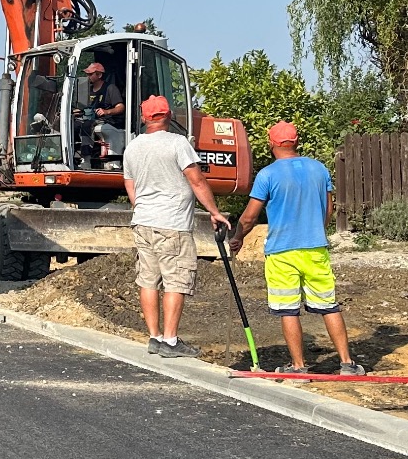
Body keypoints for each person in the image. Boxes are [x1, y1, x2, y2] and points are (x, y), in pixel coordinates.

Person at [229, 121, 360, 375]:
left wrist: (238, 237)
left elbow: (249, 217)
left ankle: (299, 367)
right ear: (296, 141)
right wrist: (316, 231)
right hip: (315, 249)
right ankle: (347, 364)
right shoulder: (319, 169)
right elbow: (328, 209)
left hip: (282, 252)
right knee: (328, 305)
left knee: (288, 309)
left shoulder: (268, 175)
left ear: (272, 144)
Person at [122, 93, 229, 358]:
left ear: (145, 117)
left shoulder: (133, 147)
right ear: (169, 116)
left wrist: (141, 207)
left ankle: (154, 337)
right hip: (172, 225)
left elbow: (130, 183)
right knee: (175, 280)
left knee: (148, 279)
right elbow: (197, 181)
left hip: (143, 222)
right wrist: (214, 212)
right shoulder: (178, 143)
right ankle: (170, 341)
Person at [74, 59, 127, 165]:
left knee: (87, 125)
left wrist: (106, 111)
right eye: (87, 74)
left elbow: (121, 107)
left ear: (99, 75)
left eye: (90, 74)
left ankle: (86, 159)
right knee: (72, 125)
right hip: (88, 118)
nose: (88, 77)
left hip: (106, 120)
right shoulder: (86, 90)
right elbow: (83, 108)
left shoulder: (110, 88)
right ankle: (73, 156)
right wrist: (77, 111)